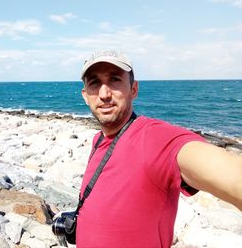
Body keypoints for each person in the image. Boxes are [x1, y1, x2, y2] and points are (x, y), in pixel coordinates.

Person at [76, 50, 242, 247]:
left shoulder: (156, 139)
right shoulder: (99, 139)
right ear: (86, 96)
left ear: (134, 89)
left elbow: (230, 175)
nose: (104, 94)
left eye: (114, 79)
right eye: (95, 83)